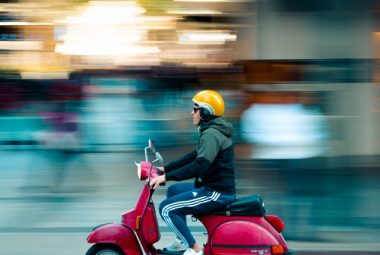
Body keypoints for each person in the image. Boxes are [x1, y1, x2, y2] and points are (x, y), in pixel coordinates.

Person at [149, 90, 236, 255]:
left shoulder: (211, 134)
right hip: (211, 186)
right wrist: (166, 169)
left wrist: (166, 177)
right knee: (174, 190)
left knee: (167, 209)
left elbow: (199, 165)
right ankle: (182, 240)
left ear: (205, 112)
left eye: (195, 109)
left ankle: (194, 249)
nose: (192, 112)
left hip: (217, 192)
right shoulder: (210, 130)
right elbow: (194, 155)